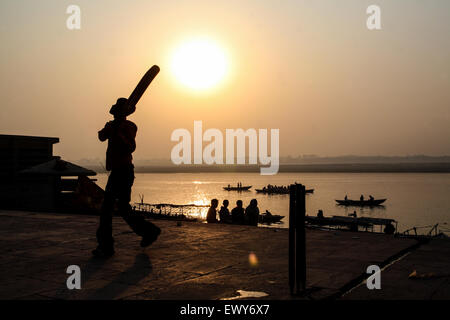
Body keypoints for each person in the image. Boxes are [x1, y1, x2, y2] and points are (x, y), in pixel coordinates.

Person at [94, 97, 160, 258]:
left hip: (124, 171)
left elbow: (131, 147)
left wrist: (119, 131)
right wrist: (112, 128)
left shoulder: (129, 126)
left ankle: (106, 246)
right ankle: (149, 231)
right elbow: (101, 136)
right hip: (117, 171)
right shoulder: (111, 125)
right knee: (120, 209)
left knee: (108, 209)